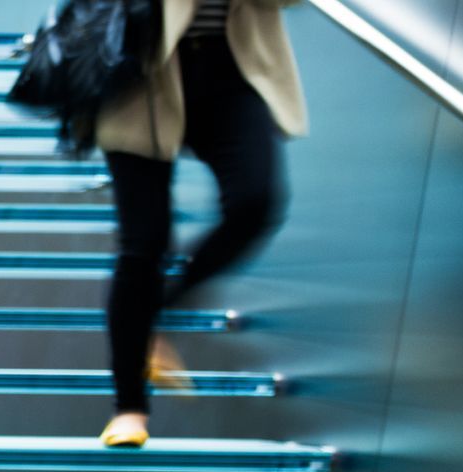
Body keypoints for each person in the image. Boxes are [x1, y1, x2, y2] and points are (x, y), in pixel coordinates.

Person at [94, 0, 308, 448]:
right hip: (140, 72)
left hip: (234, 67)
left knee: (255, 202)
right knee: (144, 243)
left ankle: (159, 313)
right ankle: (129, 407)